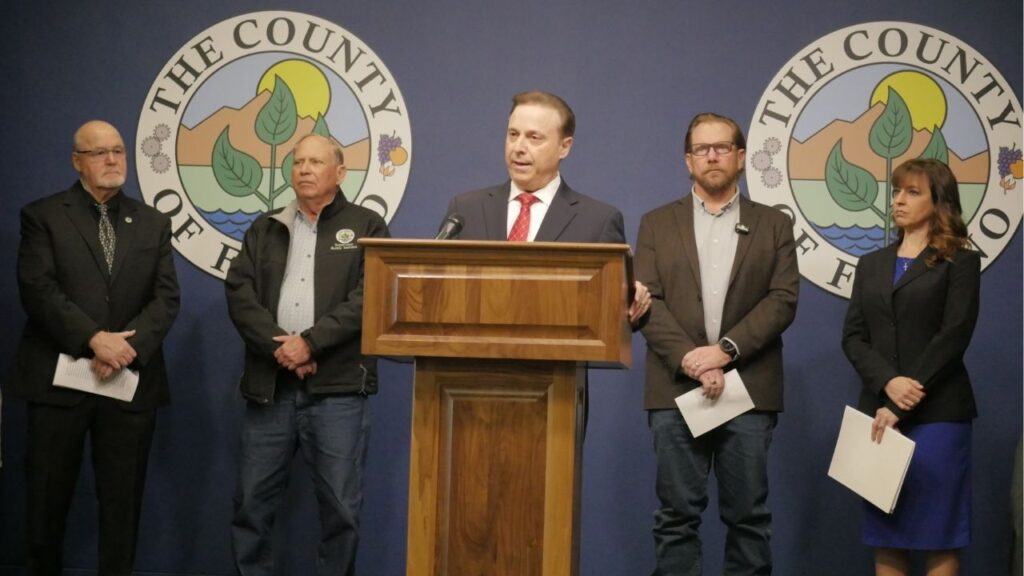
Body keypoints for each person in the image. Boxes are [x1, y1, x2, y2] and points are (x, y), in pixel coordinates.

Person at [8, 120, 180, 575]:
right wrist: (93, 340)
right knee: (46, 508)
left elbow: (166, 298)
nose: (112, 161)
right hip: (58, 385)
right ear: (77, 162)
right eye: (100, 152)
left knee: (122, 511)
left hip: (127, 384)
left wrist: (124, 350)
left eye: (118, 151)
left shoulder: (153, 222)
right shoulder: (43, 216)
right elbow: (38, 289)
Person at [636, 112, 799, 575]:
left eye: (722, 147)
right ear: (687, 161)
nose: (711, 155)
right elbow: (646, 301)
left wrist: (724, 352)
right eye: (701, 149)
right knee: (675, 519)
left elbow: (783, 301)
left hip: (748, 390)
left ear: (741, 157)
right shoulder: (655, 224)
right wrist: (693, 360)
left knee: (749, 519)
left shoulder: (774, 226)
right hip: (675, 388)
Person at [225, 133, 390, 575]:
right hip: (271, 389)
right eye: (298, 162)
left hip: (337, 392)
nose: (304, 169)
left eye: (316, 162)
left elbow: (369, 296)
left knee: (341, 512)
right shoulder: (265, 227)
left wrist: (311, 343)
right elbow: (239, 294)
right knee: (250, 506)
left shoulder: (368, 225)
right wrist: (283, 347)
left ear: (340, 172)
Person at [842, 158, 980, 576]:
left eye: (912, 192)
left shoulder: (961, 261)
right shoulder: (871, 265)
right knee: (888, 536)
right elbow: (853, 337)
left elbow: (953, 336)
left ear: (939, 202)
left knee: (938, 536)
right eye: (897, 191)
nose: (899, 200)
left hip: (938, 417)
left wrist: (904, 399)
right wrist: (888, 384)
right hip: (880, 413)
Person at [442, 89, 648, 320]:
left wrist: (631, 302)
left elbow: (616, 315)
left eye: (534, 137)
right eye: (513, 134)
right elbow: (438, 293)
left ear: (565, 147)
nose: (518, 147)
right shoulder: (466, 210)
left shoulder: (598, 221)